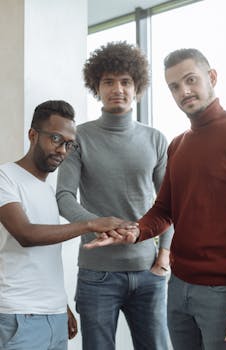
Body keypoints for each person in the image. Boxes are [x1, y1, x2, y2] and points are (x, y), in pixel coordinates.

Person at [85, 48, 226, 350]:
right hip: (178, 288)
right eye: (175, 86)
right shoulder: (178, 144)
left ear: (212, 77)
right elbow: (165, 210)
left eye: (191, 80)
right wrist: (136, 231)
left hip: (224, 292)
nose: (184, 91)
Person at [56, 41, 173, 350]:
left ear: (137, 86)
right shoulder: (79, 137)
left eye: (125, 81)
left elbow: (169, 203)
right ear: (97, 86)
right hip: (98, 275)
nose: (117, 88)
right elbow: (65, 196)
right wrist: (98, 223)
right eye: (108, 81)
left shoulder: (156, 139)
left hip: (149, 272)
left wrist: (164, 256)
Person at [0, 100, 134, 350]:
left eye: (69, 144)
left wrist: (61, 305)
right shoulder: (5, 177)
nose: (62, 150)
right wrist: (89, 224)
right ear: (32, 135)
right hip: (18, 316)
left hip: (54, 317)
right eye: (55, 139)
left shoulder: (48, 190)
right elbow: (26, 234)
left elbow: (44, 260)